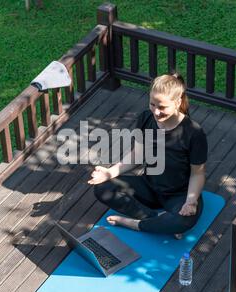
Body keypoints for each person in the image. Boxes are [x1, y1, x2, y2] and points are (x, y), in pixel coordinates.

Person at [88, 73, 208, 239]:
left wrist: (191, 201)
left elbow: (198, 173)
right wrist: (109, 173)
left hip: (178, 195)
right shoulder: (146, 118)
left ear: (177, 102)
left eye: (162, 107)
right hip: (149, 187)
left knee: (183, 221)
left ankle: (134, 223)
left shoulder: (194, 133)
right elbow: (137, 156)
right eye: (153, 104)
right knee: (102, 188)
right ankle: (155, 220)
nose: (156, 112)